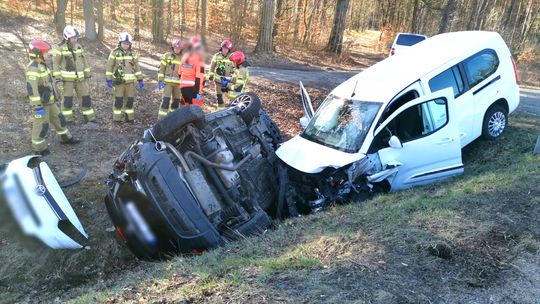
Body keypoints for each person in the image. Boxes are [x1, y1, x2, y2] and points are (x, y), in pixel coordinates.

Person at [25, 39, 79, 156]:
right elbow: (32, 89)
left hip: (50, 101)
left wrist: (55, 97)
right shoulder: (33, 68)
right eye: (46, 53)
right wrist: (37, 106)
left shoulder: (43, 65)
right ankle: (39, 147)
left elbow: (49, 84)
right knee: (41, 125)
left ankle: (65, 138)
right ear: (38, 54)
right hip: (41, 105)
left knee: (59, 119)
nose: (49, 55)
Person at [52, 25, 96, 123]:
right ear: (67, 37)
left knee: (85, 98)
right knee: (67, 100)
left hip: (81, 79)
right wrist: (58, 76)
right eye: (73, 38)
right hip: (67, 80)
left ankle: (90, 118)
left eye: (76, 38)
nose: (75, 40)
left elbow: (84, 61)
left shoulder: (79, 47)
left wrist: (87, 73)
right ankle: (67, 120)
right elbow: (55, 63)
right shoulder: (59, 48)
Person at [105, 32, 144, 122]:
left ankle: (129, 119)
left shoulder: (133, 54)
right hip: (119, 82)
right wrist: (108, 79)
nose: (126, 45)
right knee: (118, 101)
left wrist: (140, 79)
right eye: (124, 43)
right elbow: (109, 66)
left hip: (130, 83)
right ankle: (117, 119)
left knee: (129, 102)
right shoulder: (114, 53)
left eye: (127, 44)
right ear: (120, 43)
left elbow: (137, 67)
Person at [157, 39, 184, 119]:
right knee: (165, 101)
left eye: (178, 49)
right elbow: (161, 69)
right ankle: (161, 119)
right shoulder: (167, 56)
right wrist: (160, 80)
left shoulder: (184, 58)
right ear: (172, 47)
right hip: (167, 83)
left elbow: (186, 72)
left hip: (178, 84)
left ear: (181, 49)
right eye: (175, 48)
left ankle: (172, 119)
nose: (177, 50)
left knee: (176, 102)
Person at [179, 36, 205, 107]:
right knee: (195, 111)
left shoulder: (184, 57)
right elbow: (199, 78)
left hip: (183, 88)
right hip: (193, 89)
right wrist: (198, 92)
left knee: (185, 108)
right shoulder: (199, 59)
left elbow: (179, 73)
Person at [208, 39, 233, 109]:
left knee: (231, 97)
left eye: (227, 49)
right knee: (219, 96)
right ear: (221, 48)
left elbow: (235, 67)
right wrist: (211, 76)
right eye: (224, 48)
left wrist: (234, 76)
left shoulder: (231, 57)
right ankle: (220, 110)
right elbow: (212, 66)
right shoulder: (217, 56)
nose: (225, 50)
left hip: (228, 80)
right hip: (218, 80)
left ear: (229, 49)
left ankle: (231, 110)